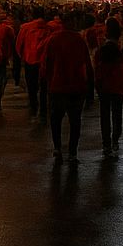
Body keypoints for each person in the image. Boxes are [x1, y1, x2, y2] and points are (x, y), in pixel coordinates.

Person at [43, 12, 94, 163]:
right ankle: (72, 152)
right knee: (75, 121)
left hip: (57, 86)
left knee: (56, 120)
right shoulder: (79, 40)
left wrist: (47, 82)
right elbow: (87, 63)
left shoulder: (53, 39)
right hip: (76, 86)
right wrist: (90, 83)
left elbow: (46, 63)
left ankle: (57, 148)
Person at [93, 25, 123, 156]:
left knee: (105, 115)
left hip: (104, 87)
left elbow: (96, 67)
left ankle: (106, 143)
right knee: (117, 114)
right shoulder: (121, 51)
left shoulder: (101, 50)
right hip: (117, 87)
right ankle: (115, 139)